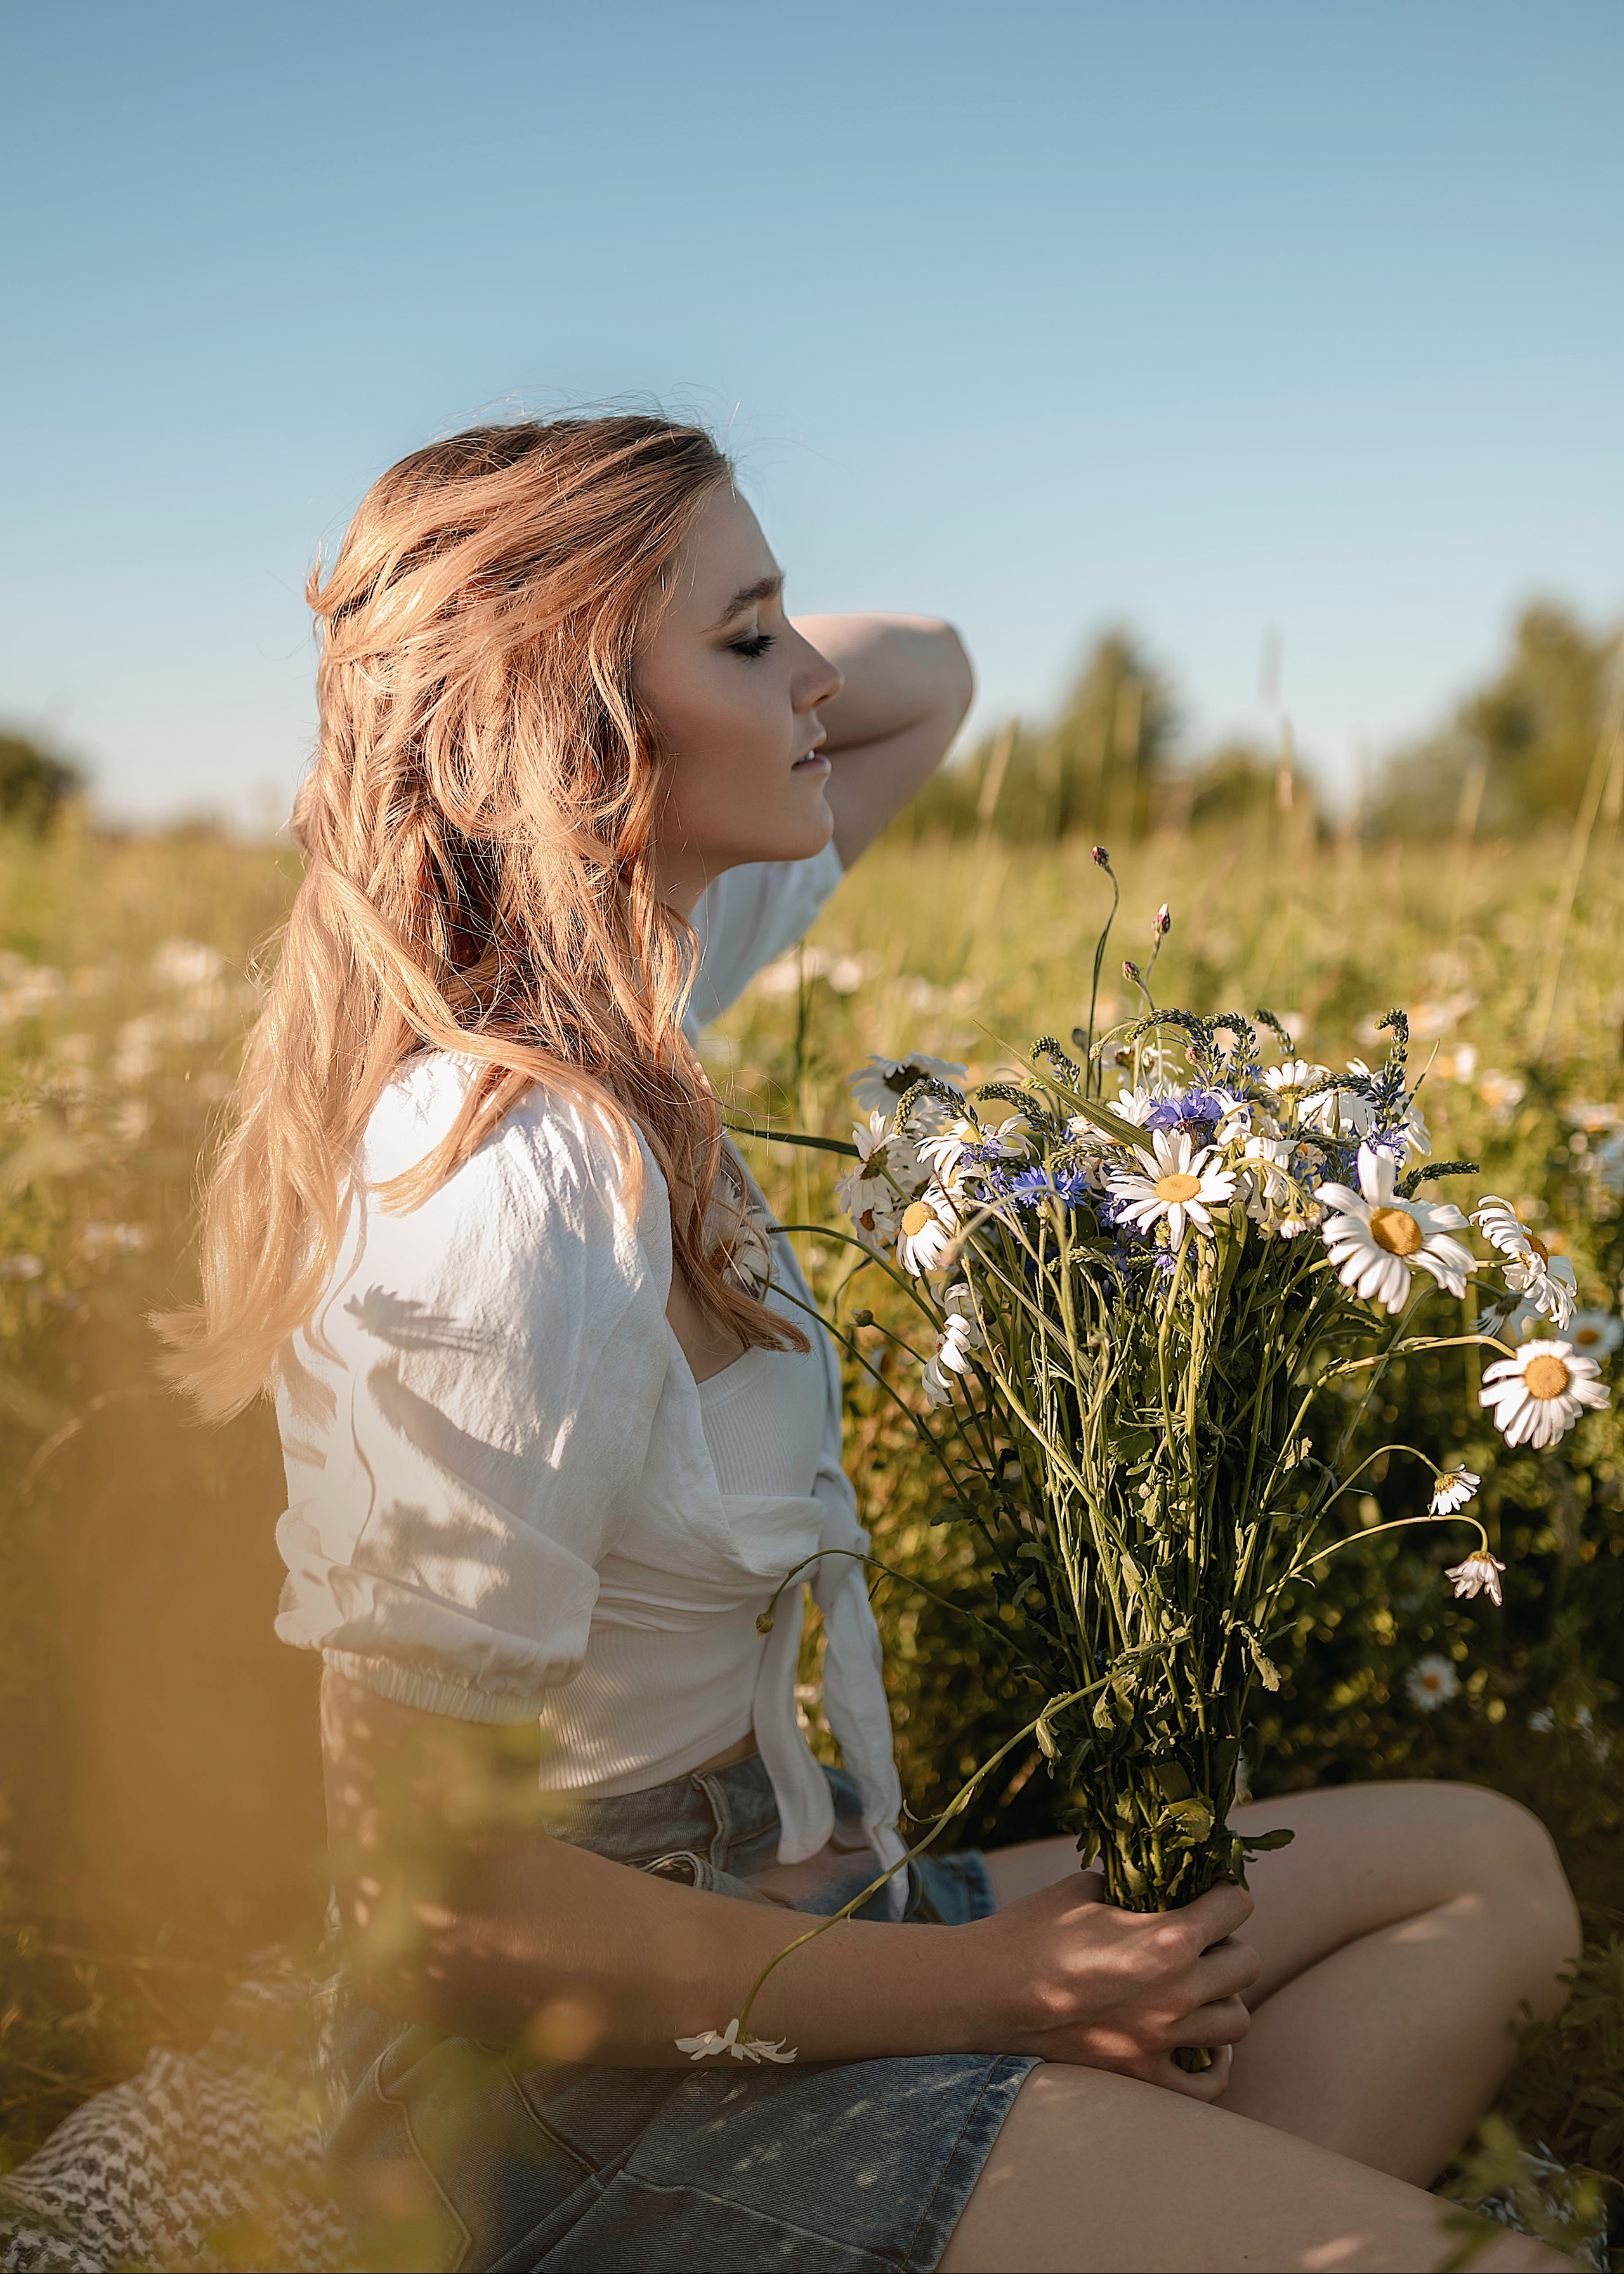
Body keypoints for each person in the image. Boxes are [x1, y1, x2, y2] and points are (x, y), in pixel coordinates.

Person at [163, 414, 1581, 2274]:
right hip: (565, 2099)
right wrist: (996, 1990)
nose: (817, 673)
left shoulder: (640, 979)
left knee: (1482, 1870)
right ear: (584, 738)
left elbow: (933, 671)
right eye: (753, 641)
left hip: (809, 1899)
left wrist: (621, 621)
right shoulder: (510, 1190)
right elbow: (435, 1910)